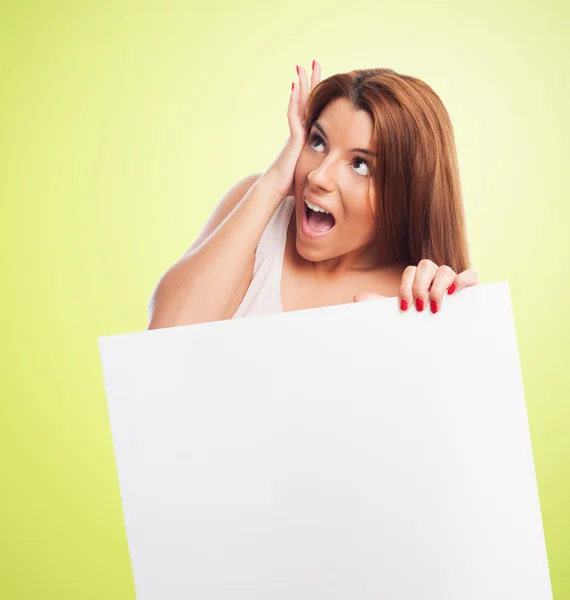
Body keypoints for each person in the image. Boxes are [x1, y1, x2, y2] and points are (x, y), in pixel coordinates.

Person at [147, 61, 478, 329]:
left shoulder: (410, 296)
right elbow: (162, 340)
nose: (318, 176)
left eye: (360, 165)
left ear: (407, 193)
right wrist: (271, 184)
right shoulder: (257, 209)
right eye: (317, 142)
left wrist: (445, 329)